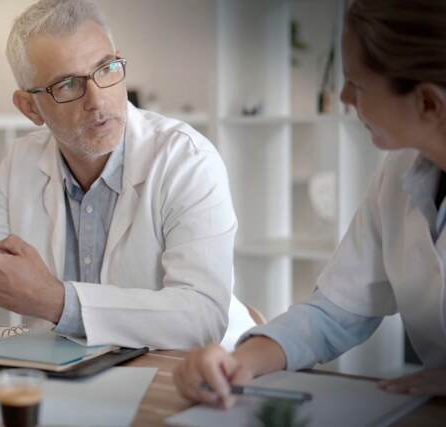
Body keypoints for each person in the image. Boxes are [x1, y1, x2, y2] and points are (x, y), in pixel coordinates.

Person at [0, 0, 255, 350]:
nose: (98, 100)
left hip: (202, 375)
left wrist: (57, 301)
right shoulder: (21, 161)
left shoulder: (186, 159)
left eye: (105, 69)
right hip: (74, 373)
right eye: (68, 84)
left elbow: (201, 316)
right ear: (30, 108)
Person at [173, 0, 446, 406]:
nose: (344, 95)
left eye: (358, 83)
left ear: (427, 103)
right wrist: (241, 361)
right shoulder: (397, 175)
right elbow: (333, 315)